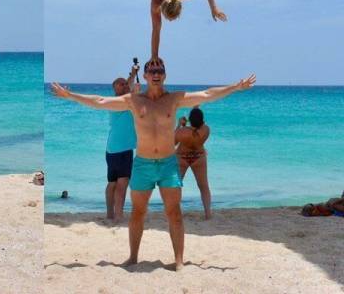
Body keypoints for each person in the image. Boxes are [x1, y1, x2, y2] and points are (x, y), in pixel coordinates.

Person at [52, 59, 255, 270]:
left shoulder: (174, 99)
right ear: (147, 76)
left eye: (160, 71)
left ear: (165, 75)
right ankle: (132, 257)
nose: (156, 74)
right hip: (143, 165)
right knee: (138, 213)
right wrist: (71, 95)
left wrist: (236, 87)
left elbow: (206, 95)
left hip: (168, 164)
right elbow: (101, 101)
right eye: (152, 71)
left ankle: (178, 261)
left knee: (174, 212)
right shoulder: (134, 100)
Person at [105, 65, 138, 222]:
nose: (124, 85)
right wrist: (134, 89)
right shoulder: (118, 101)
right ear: (114, 88)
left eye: (125, 83)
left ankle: (111, 214)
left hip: (114, 149)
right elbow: (130, 94)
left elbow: (129, 88)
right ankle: (117, 215)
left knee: (114, 182)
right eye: (120, 84)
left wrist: (133, 74)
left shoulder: (124, 98)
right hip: (121, 149)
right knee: (120, 183)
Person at [175, 107, 211, 219]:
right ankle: (208, 214)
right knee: (203, 186)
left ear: (190, 119)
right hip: (198, 157)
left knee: (176, 186)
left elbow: (173, 141)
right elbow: (196, 135)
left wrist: (179, 125)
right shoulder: (206, 129)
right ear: (201, 120)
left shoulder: (182, 131)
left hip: (182, 157)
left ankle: (176, 212)